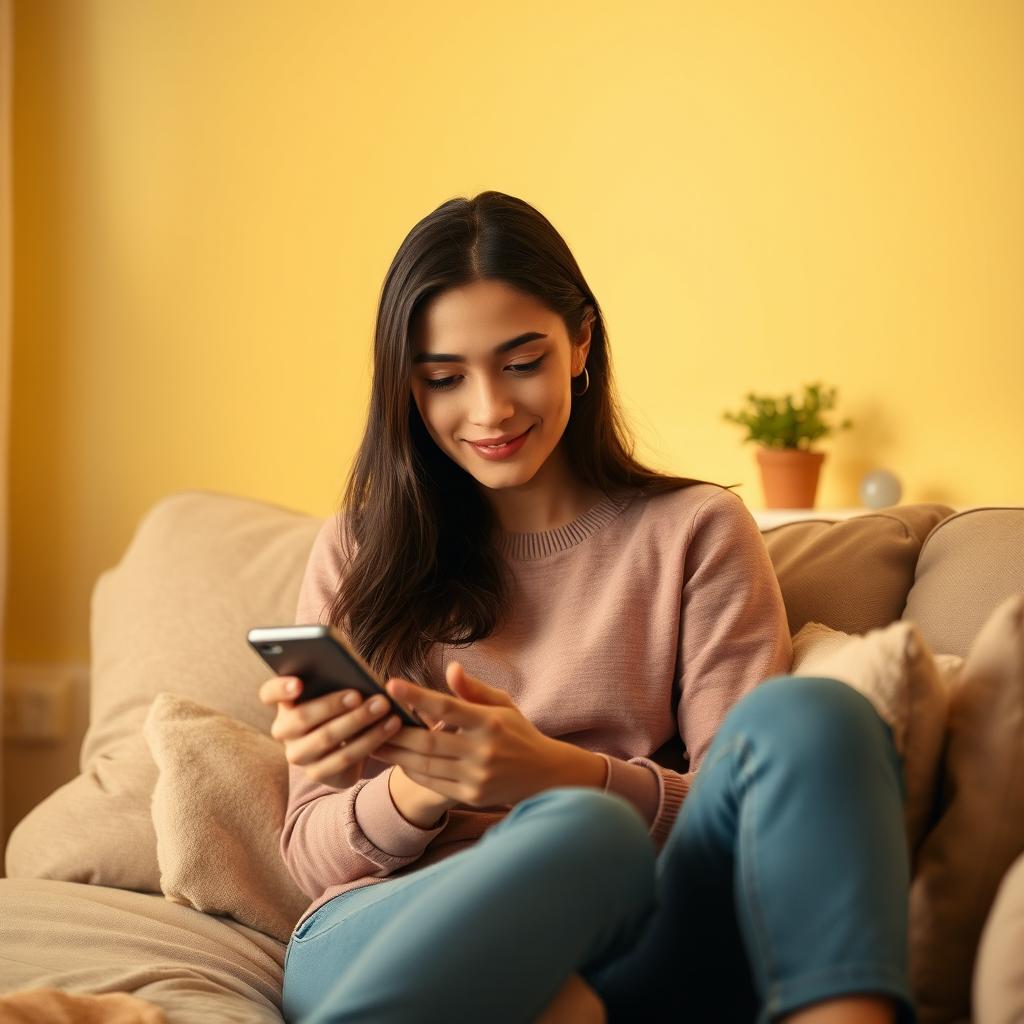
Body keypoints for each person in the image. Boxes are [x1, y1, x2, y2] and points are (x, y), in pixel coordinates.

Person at [258, 191, 916, 1024]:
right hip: (386, 929)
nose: (490, 409)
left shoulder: (696, 532)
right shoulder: (358, 550)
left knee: (815, 714)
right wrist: (427, 788)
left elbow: (746, 812)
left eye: (521, 361)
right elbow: (312, 858)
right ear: (408, 390)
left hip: (636, 921)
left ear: (580, 344)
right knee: (581, 836)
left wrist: (556, 773)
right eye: (444, 379)